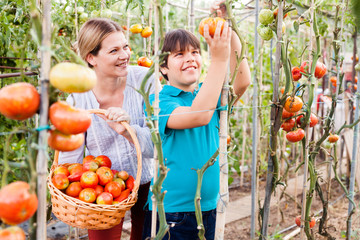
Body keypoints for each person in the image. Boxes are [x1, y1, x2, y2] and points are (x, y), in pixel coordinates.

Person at [142, 2, 251, 239]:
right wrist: (219, 61)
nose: (190, 58)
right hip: (171, 214)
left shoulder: (208, 94)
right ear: (163, 68)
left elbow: (242, 82)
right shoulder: (158, 101)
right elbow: (198, 115)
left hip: (209, 208)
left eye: (194, 52)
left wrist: (227, 29)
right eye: (179, 55)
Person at [58, 18, 159, 240]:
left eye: (125, 47)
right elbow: (69, 159)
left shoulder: (145, 81)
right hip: (102, 190)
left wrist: (127, 130)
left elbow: (160, 144)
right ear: (91, 57)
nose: (125, 55)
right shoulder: (78, 99)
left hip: (147, 182)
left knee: (146, 235)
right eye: (114, 50)